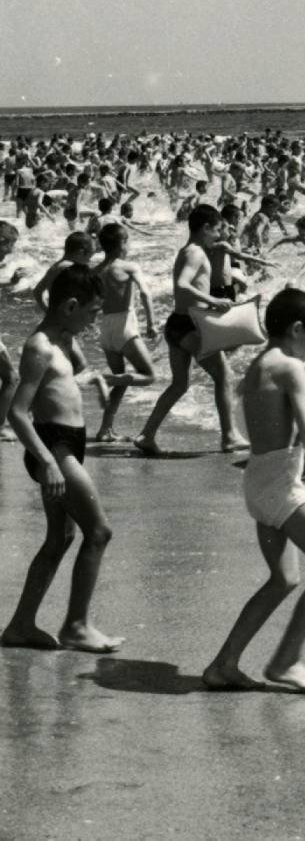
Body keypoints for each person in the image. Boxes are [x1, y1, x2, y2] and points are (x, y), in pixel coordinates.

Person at [202, 288, 305, 693]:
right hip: (282, 486)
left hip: (259, 482)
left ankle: (223, 665)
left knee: (283, 578)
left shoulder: (261, 362)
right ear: (297, 328)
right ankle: (286, 661)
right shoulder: (290, 367)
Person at [1, 265, 120, 654]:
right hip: (53, 449)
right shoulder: (39, 347)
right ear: (70, 305)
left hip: (68, 445)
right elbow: (18, 413)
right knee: (99, 531)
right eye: (93, 311)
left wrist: (98, 380)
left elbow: (72, 378)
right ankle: (76, 626)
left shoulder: (65, 339)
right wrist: (49, 463)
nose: (96, 319)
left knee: (62, 537)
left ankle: (20, 626)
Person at [134, 205, 241, 455]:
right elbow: (182, 285)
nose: (219, 236)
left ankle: (147, 434)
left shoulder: (188, 251)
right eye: (216, 230)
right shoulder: (195, 253)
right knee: (224, 376)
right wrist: (214, 301)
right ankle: (230, 437)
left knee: (180, 385)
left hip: (176, 324)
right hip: (191, 326)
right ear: (205, 228)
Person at [91, 223, 157, 442]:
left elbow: (91, 302)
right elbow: (146, 293)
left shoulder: (96, 271)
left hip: (106, 329)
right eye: (127, 240)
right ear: (121, 244)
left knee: (122, 381)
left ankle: (105, 430)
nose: (129, 245)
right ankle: (104, 378)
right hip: (124, 326)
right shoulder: (129, 267)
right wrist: (151, 323)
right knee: (148, 376)